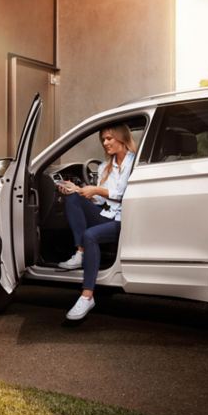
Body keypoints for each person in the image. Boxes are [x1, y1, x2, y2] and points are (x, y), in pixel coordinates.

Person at [56, 124, 136, 320]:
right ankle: (80, 252)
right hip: (106, 213)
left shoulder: (135, 163)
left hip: (125, 219)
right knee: (73, 198)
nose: (105, 143)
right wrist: (79, 190)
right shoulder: (104, 167)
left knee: (90, 235)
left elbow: (126, 194)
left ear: (122, 138)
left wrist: (97, 190)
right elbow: (100, 201)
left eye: (109, 138)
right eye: (103, 140)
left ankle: (87, 296)